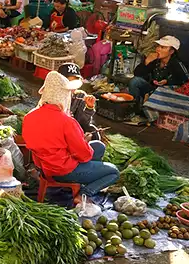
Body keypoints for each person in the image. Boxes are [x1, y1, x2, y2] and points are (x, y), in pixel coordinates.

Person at [22, 71, 119, 200]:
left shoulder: (29, 116)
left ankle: (84, 180)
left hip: (44, 168)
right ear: (63, 95)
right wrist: (83, 141)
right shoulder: (66, 121)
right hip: (62, 171)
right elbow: (83, 155)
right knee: (113, 171)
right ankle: (84, 193)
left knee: (98, 146)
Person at [129, 36, 189, 111]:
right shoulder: (155, 61)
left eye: (163, 47)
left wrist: (168, 81)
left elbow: (186, 82)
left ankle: (147, 109)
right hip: (152, 90)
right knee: (135, 81)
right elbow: (137, 74)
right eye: (158, 46)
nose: (158, 49)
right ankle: (135, 108)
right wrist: (147, 62)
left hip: (166, 95)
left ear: (171, 51)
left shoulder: (177, 64)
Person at [57, 63, 101, 141]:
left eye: (75, 82)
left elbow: (83, 122)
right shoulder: (54, 96)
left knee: (93, 133)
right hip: (58, 133)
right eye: (69, 82)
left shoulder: (80, 96)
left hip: (76, 131)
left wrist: (89, 107)